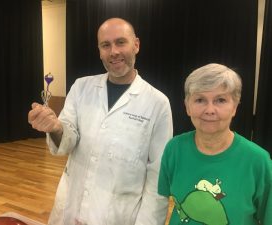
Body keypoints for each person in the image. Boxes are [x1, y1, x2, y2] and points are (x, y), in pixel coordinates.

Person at [28, 17, 173, 225]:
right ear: (99, 50)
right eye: (106, 45)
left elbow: (157, 176)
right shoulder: (81, 87)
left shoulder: (157, 103)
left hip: (117, 215)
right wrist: (56, 127)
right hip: (71, 204)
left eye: (120, 42)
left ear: (136, 45)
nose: (113, 51)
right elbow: (67, 139)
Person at [158, 63, 272, 225]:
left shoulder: (258, 161)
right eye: (200, 100)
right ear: (187, 107)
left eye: (220, 100)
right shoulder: (174, 149)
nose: (210, 110)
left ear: (234, 107)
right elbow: (162, 201)